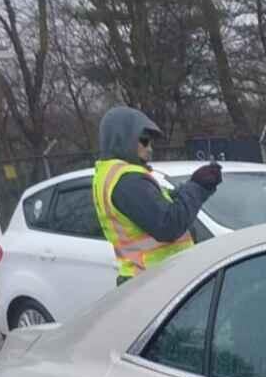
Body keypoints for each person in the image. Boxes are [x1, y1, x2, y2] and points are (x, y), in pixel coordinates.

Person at [91, 106, 223, 284]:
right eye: (144, 141)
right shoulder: (128, 181)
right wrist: (197, 186)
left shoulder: (114, 175)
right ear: (125, 138)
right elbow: (168, 224)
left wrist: (195, 186)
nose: (150, 148)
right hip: (154, 282)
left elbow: (162, 205)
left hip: (149, 279)